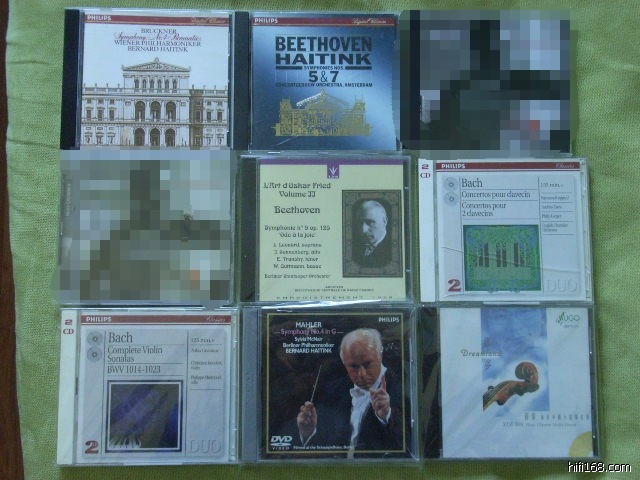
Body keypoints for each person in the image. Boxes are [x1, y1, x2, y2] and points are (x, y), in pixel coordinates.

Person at [294, 328, 405, 456]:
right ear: (344, 363)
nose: (362, 374)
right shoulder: (334, 391)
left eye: (368, 364)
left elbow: (408, 446)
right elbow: (325, 446)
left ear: (380, 355)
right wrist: (308, 432)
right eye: (353, 366)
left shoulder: (401, 385)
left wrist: (386, 416)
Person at [352, 200, 392, 268]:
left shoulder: (393, 250)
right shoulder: (355, 247)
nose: (363, 230)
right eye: (360, 223)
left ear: (384, 221)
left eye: (370, 222)